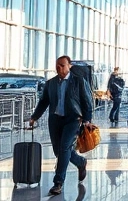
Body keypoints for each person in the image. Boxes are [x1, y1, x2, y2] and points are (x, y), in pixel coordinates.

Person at [29, 55, 93, 197]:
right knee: (59, 151)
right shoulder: (51, 83)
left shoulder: (78, 81)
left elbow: (87, 100)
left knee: (64, 147)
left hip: (73, 119)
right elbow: (44, 102)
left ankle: (58, 183)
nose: (59, 68)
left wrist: (87, 120)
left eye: (62, 65)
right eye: (57, 65)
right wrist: (35, 117)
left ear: (69, 66)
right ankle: (81, 162)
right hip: (55, 120)